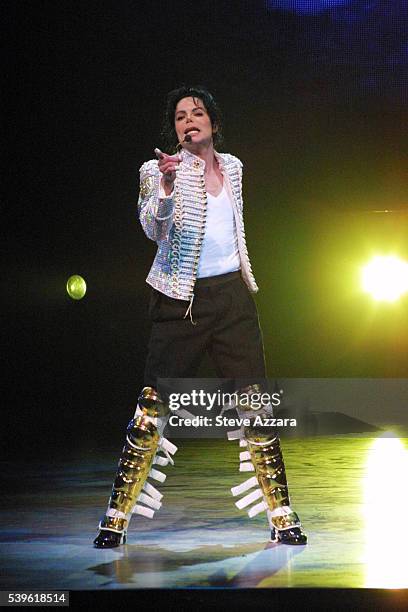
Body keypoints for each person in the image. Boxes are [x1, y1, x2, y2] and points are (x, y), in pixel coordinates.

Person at [93, 86, 307, 548]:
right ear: (174, 129)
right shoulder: (156, 171)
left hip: (232, 298)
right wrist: (167, 189)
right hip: (179, 302)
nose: (189, 120)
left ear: (213, 121)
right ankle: (116, 517)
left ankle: (282, 514)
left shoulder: (234, 167)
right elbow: (152, 226)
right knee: (153, 408)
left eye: (197, 113)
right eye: (180, 116)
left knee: (256, 405)